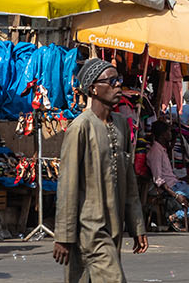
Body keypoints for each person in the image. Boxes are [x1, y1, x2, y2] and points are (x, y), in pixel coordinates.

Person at [54, 58, 148, 279]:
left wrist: (137, 226)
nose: (118, 86)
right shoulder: (80, 127)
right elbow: (67, 184)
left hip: (114, 224)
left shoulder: (121, 125)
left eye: (119, 80)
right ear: (93, 88)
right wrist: (64, 235)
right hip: (90, 228)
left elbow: (129, 182)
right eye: (112, 81)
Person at [148, 124, 189, 231]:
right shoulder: (156, 151)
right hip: (172, 187)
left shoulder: (163, 149)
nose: (170, 134)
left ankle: (180, 217)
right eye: (168, 132)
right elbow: (158, 178)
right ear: (163, 135)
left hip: (177, 183)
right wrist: (176, 195)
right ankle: (177, 216)